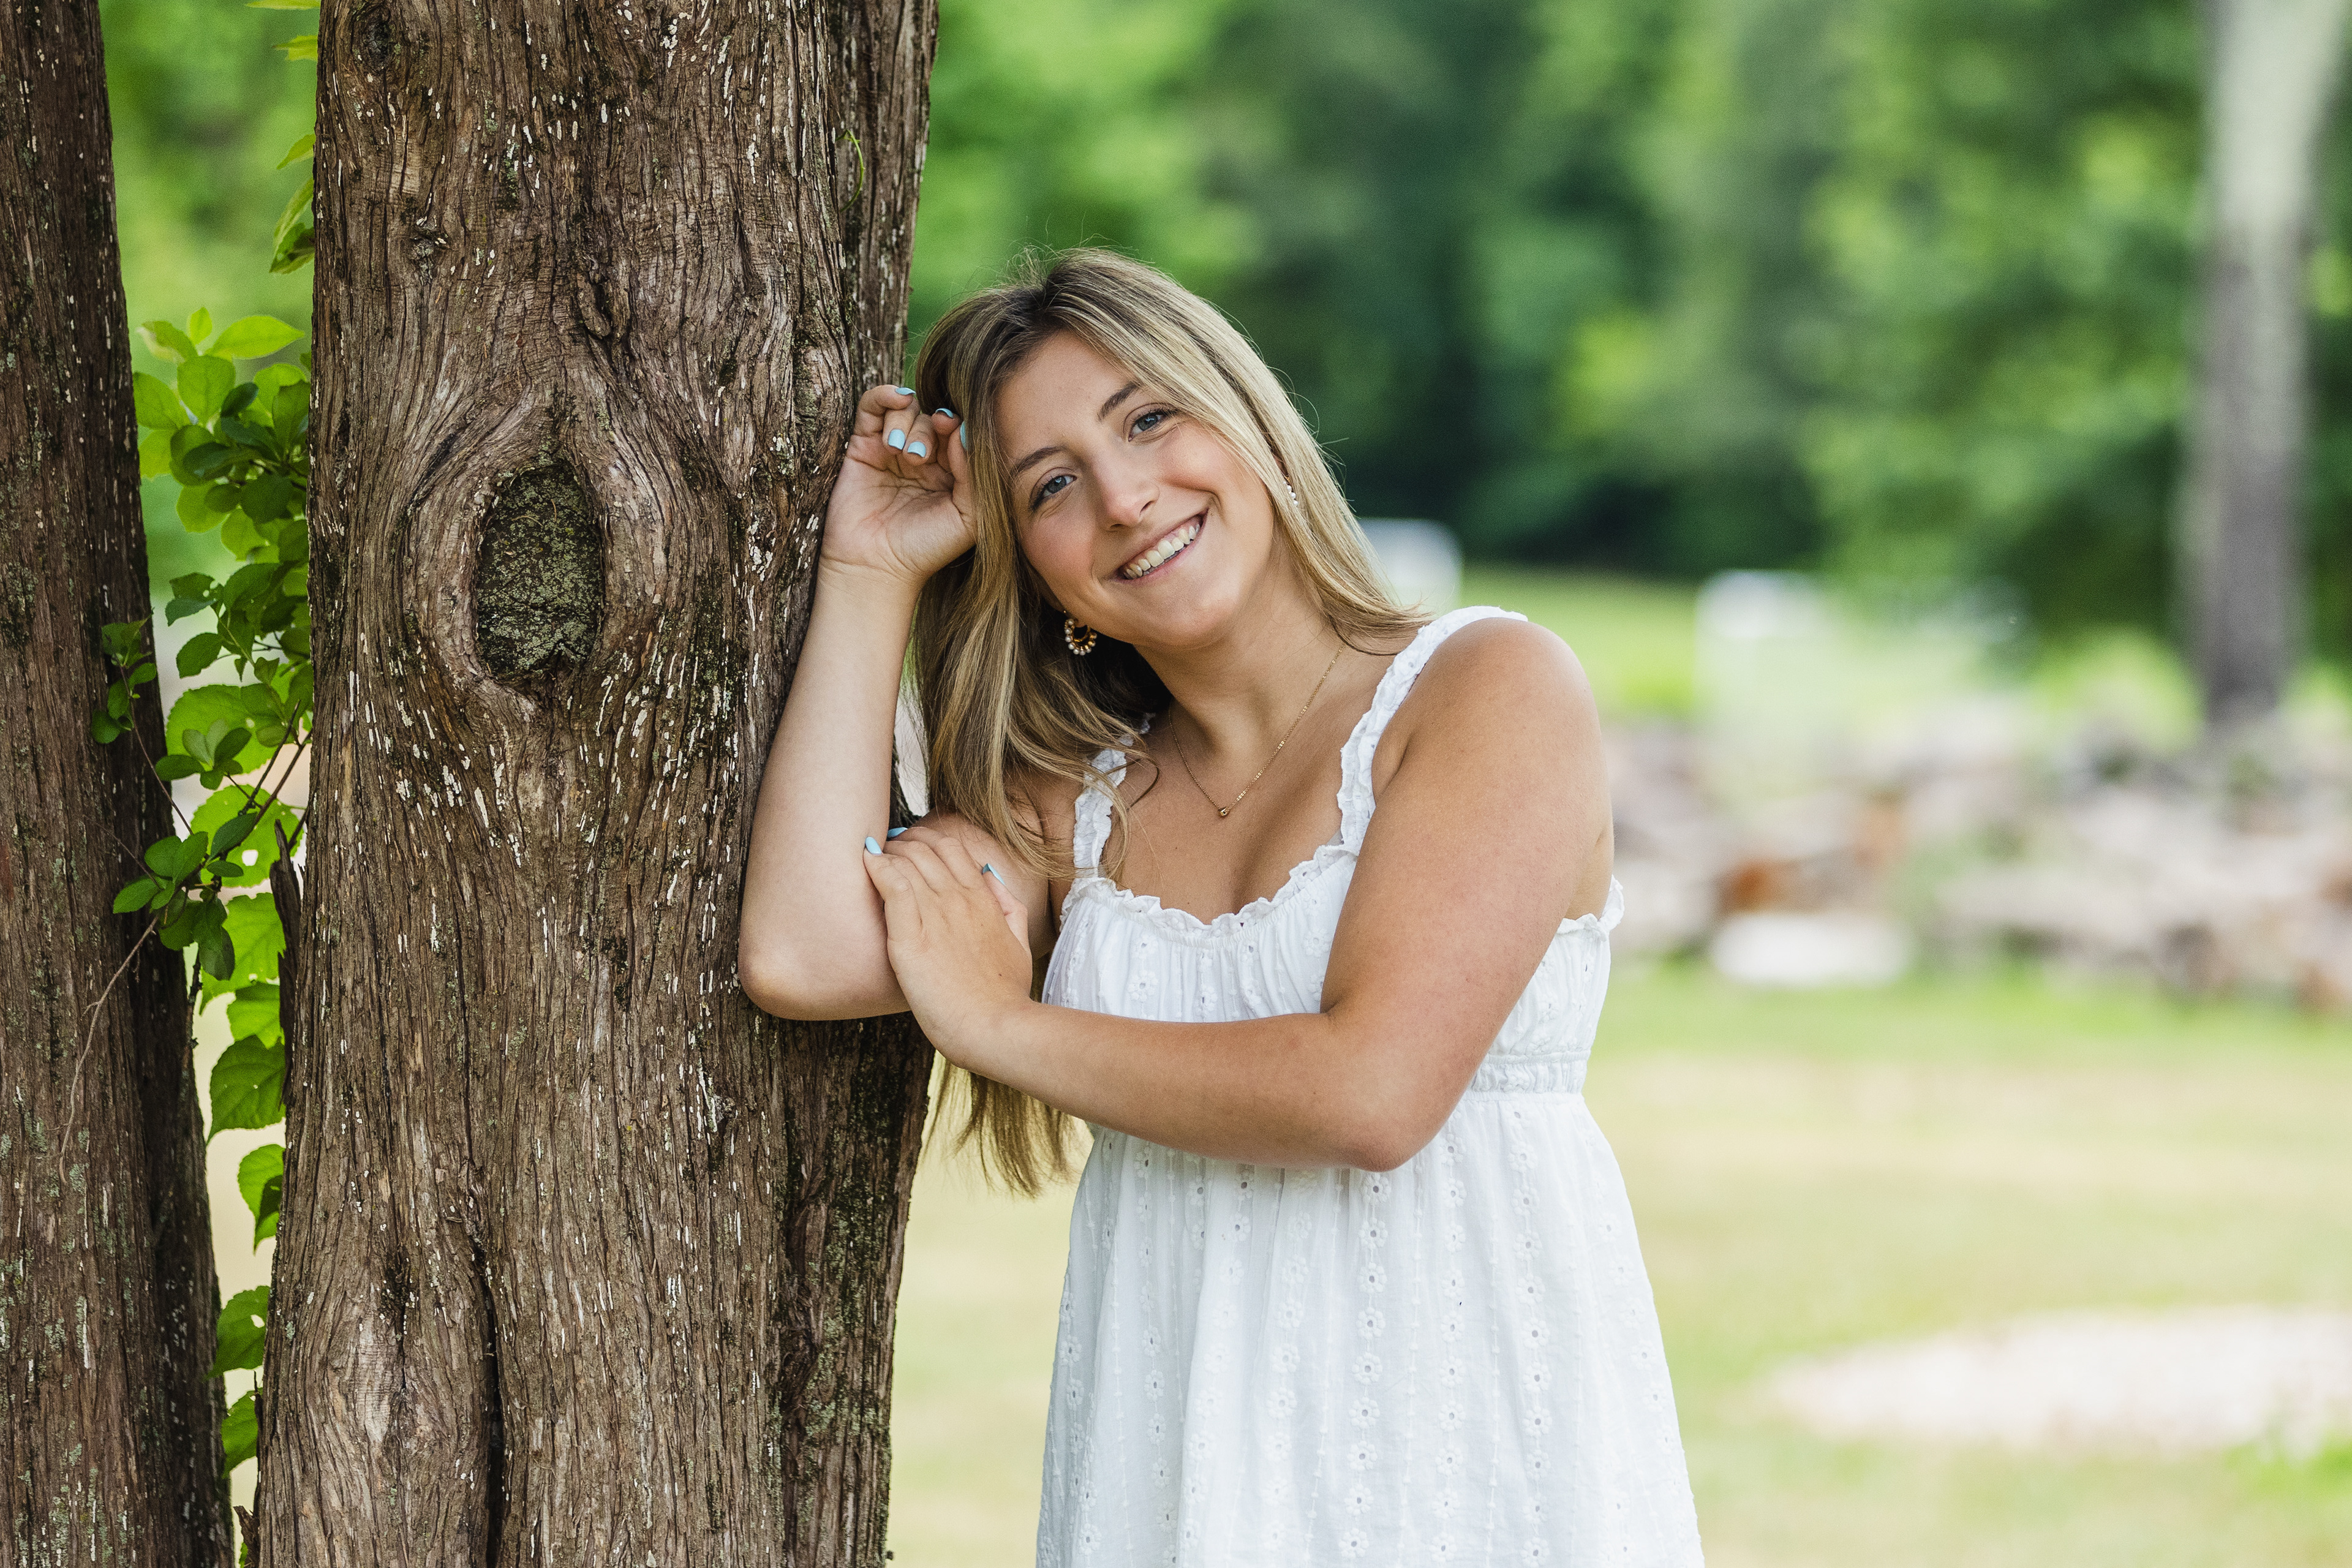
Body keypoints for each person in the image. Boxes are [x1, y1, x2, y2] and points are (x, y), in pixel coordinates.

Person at [740, 249, 1703, 1566]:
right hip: (1177, 1471)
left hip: (1470, 1458)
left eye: (1148, 419)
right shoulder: (1074, 800)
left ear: (1248, 419)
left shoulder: (1488, 687)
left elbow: (1373, 1094)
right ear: (1030, 563)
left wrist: (1002, 1025)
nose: (1126, 497)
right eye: (1051, 485)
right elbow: (803, 952)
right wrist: (869, 572)